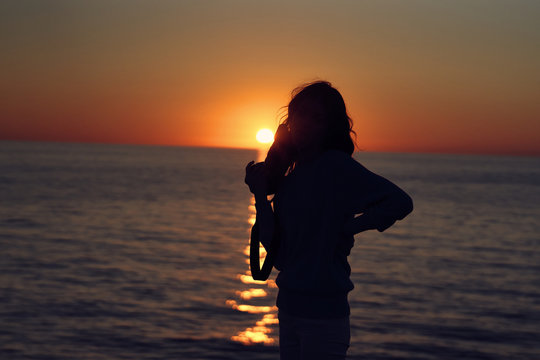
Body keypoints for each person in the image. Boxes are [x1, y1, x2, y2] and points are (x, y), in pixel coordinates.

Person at [245, 81, 413, 360]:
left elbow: (400, 202)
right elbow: (275, 250)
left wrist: (352, 226)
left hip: (323, 317)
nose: (305, 123)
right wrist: (260, 195)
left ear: (329, 127)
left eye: (317, 118)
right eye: (299, 114)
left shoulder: (336, 166)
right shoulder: (292, 176)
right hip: (288, 310)